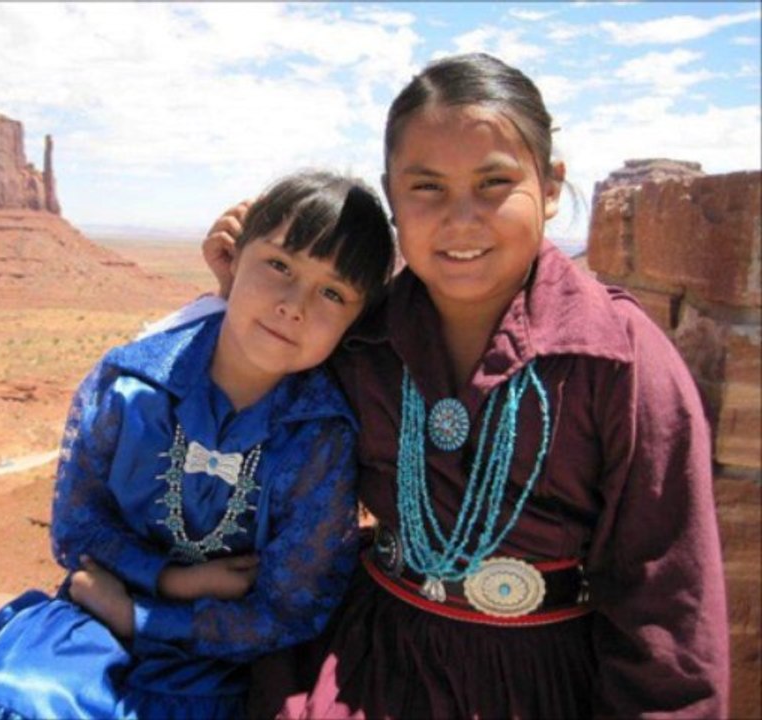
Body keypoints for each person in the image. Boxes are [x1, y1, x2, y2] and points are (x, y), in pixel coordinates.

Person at [202, 54, 729, 718]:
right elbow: (240, 430)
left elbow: (668, 601)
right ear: (392, 199)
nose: (461, 219)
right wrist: (235, 295)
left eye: (494, 183)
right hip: (371, 660)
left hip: (541, 681)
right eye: (426, 187)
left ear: (549, 187)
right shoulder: (361, 338)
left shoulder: (615, 358)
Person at [0, 169, 396, 720]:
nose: (294, 304)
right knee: (20, 699)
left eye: (332, 292)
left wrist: (142, 617)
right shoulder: (131, 388)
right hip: (89, 630)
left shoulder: (320, 438)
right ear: (233, 259)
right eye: (279, 265)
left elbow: (291, 609)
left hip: (223, 659)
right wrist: (171, 581)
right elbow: (78, 528)